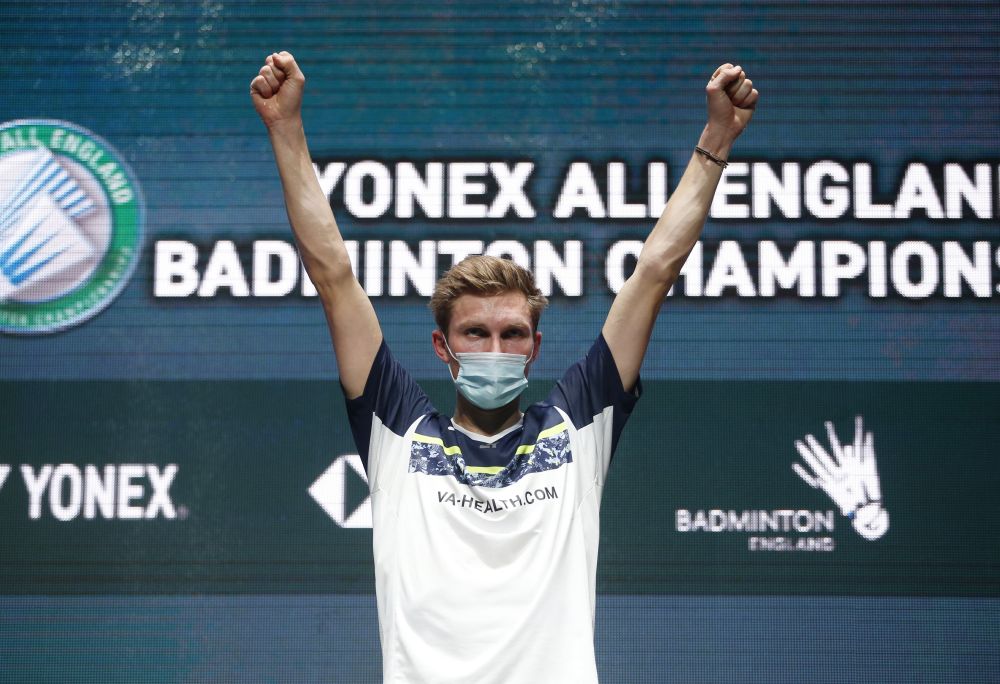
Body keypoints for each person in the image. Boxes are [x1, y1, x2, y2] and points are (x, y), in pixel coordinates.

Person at [251, 52, 757, 684]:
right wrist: (285, 127)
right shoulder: (398, 431)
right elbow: (333, 275)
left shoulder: (576, 426)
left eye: (512, 333)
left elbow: (654, 270)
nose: (495, 346)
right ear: (443, 347)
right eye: (476, 332)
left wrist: (718, 138)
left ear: (535, 347)